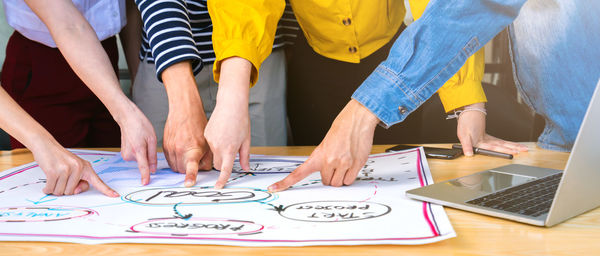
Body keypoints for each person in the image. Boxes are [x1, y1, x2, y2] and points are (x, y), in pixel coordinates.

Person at [268, 0, 600, 192]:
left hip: (575, 144)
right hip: (573, 147)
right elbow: (466, 11)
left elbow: (463, 11)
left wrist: (362, 112)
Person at [206, 0, 525, 188]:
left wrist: (467, 100)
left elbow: (451, 10)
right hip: (315, 62)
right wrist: (231, 97)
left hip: (393, 56)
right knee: (320, 181)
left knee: (391, 175)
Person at [133, 0, 297, 187]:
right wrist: (182, 101)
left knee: (259, 177)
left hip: (257, 50)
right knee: (169, 177)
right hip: (164, 53)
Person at [1, 0, 158, 193]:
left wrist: (130, 99)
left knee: (116, 181)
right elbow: (67, 23)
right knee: (60, 184)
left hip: (104, 60)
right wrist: (41, 142)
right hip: (44, 60)